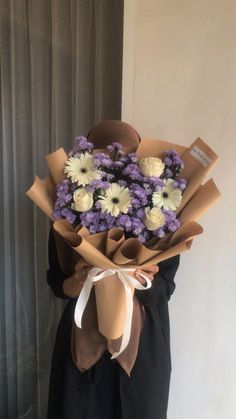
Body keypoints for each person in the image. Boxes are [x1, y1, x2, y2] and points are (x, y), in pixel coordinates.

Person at [46, 121, 180, 419]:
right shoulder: (66, 213)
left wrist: (139, 280)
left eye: (126, 158)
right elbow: (56, 281)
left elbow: (165, 288)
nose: (115, 165)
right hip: (81, 338)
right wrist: (78, 281)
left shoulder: (162, 216)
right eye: (103, 157)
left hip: (142, 343)